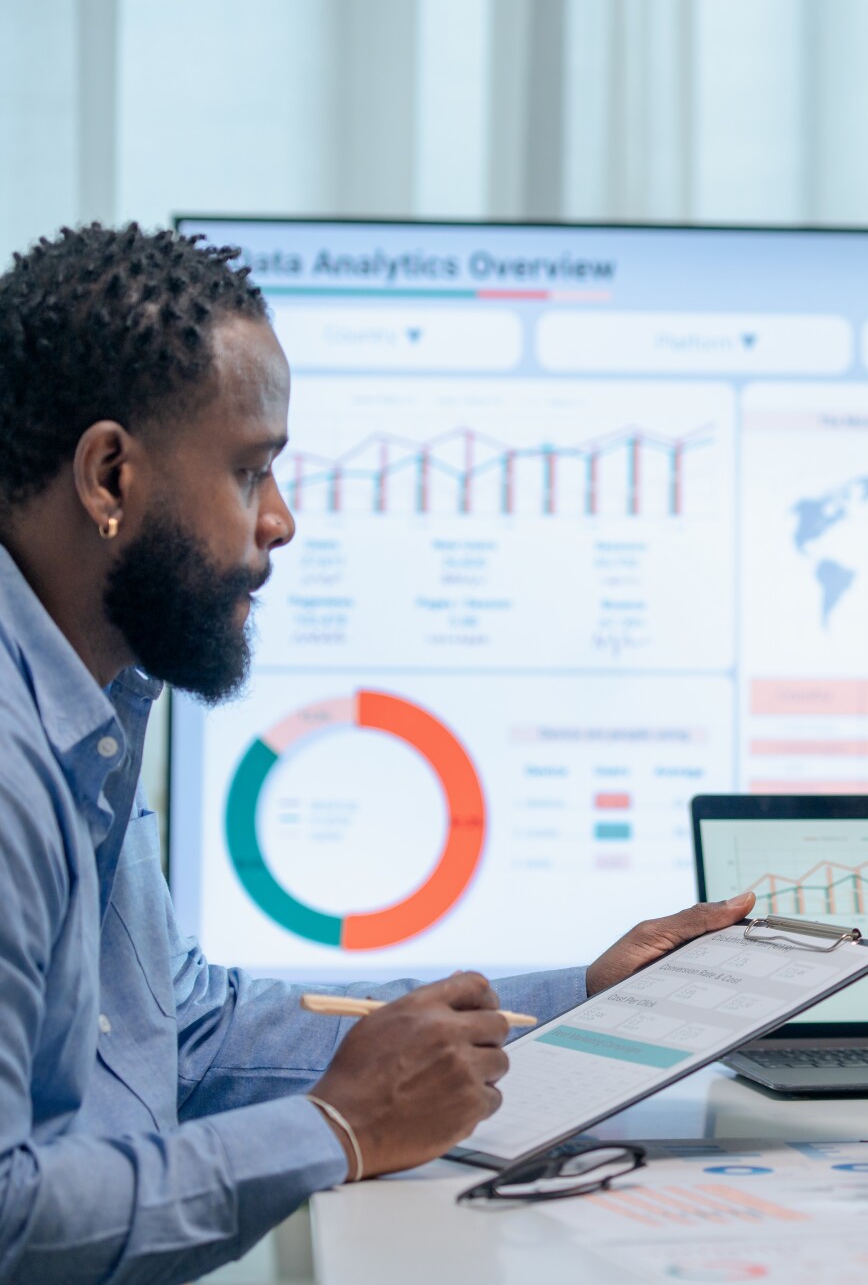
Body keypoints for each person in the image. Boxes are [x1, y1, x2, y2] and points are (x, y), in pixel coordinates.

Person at [0, 223, 758, 1283]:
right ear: (110, 474)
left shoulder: (96, 698)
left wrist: (589, 994)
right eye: (250, 470)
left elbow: (187, 1035)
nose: (282, 520)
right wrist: (336, 1128)